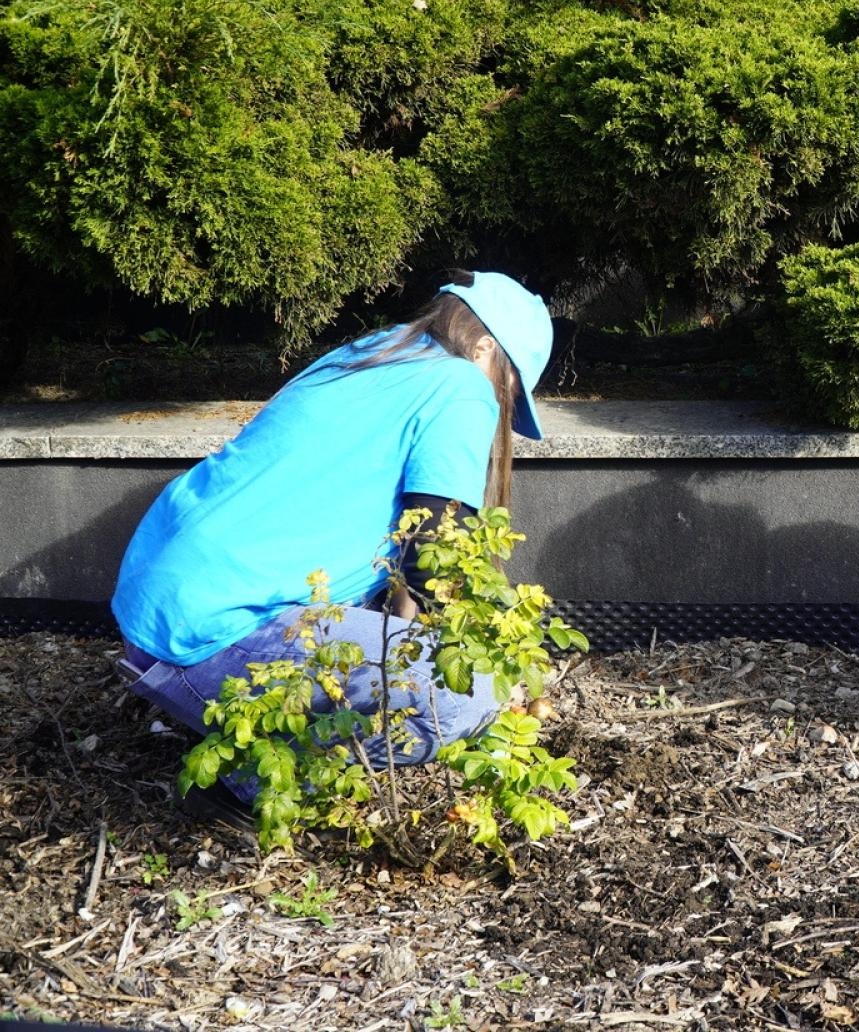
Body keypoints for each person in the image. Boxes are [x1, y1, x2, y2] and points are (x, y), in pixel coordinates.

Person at [112, 270, 553, 815]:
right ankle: (243, 786)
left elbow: (407, 548)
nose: (502, 399)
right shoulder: (459, 385)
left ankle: (236, 728)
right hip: (211, 638)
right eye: (508, 384)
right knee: (471, 693)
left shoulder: (372, 353)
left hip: (155, 611)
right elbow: (436, 552)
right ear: (485, 346)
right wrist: (500, 667)